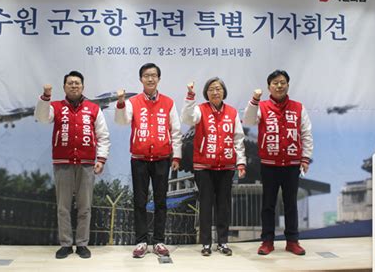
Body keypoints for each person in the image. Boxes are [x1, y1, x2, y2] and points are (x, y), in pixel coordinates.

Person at [35, 70, 110, 259]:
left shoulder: (93, 109)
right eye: (70, 83)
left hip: (86, 164)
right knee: (63, 207)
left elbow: (103, 136)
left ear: (83, 86)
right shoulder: (56, 106)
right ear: (64, 87)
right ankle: (66, 244)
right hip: (63, 164)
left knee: (85, 207)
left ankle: (82, 244)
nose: (74, 85)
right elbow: (42, 117)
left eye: (77, 83)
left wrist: (100, 160)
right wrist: (45, 96)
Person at [114, 63, 182, 258]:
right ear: (141, 79)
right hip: (139, 159)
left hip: (162, 159)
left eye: (153, 75)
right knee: (139, 202)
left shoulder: (168, 102)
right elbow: (121, 121)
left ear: (159, 79)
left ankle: (159, 241)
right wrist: (120, 102)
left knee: (161, 201)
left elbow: (175, 130)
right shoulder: (133, 101)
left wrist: (176, 155)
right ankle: (141, 241)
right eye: (146, 76)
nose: (150, 79)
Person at [242, 69, 313, 256]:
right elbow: (248, 120)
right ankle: (267, 241)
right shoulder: (262, 106)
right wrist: (255, 100)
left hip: (291, 164)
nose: (279, 86)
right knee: (268, 204)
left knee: (291, 204)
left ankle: (292, 241)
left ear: (288, 85)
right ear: (268, 87)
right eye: (275, 83)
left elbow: (306, 133)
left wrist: (305, 158)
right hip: (269, 163)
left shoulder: (298, 107)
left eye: (282, 82)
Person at [181, 78, 247, 257]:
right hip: (204, 166)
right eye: (211, 89)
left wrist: (240, 162)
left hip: (226, 167)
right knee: (206, 205)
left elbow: (238, 139)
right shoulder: (199, 110)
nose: (215, 92)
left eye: (218, 89)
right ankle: (206, 243)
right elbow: (186, 118)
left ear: (224, 91)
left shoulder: (232, 112)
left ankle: (223, 241)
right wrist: (189, 97)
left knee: (223, 206)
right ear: (206, 93)